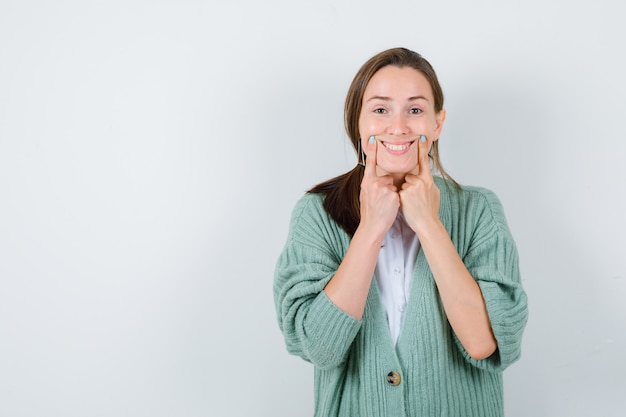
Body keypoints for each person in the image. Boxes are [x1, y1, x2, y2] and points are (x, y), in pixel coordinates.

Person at [273, 47, 528, 417]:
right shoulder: (316, 213)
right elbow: (318, 347)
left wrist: (428, 223)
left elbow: (483, 343)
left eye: (415, 109)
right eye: (380, 109)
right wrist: (372, 227)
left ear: (437, 123)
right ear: (357, 122)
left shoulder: (479, 210)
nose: (398, 126)